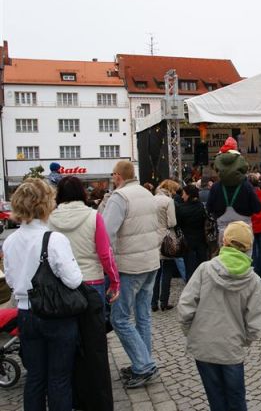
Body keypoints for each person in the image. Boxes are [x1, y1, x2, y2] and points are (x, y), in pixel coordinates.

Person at [3, 178, 83, 410]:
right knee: (59, 378)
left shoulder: (9, 242)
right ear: (47, 203)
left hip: (26, 313)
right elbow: (73, 279)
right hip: (56, 315)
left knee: (35, 378)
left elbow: (10, 280)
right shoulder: (54, 239)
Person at [178, 221, 261, 411]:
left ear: (224, 241)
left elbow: (185, 307)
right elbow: (255, 321)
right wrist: (245, 340)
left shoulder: (204, 269)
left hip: (203, 344)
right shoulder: (253, 281)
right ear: (248, 248)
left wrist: (191, 332)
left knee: (215, 397)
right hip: (232, 347)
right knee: (236, 398)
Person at [102, 160, 161, 388]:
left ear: (117, 176)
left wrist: (109, 265)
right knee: (143, 316)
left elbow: (107, 233)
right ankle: (143, 362)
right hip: (150, 262)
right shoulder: (147, 193)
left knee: (120, 318)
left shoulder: (120, 197)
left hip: (129, 265)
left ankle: (143, 365)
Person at [48, 176, 120, 306]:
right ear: (82, 192)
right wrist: (115, 281)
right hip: (91, 280)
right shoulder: (94, 216)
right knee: (94, 325)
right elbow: (105, 253)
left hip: (61, 282)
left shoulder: (49, 219)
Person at [151, 179, 179, 312]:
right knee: (167, 272)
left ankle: (153, 303)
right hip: (166, 238)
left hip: (153, 238)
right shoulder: (168, 201)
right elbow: (172, 222)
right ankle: (164, 302)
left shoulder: (151, 199)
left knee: (155, 273)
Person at [178, 184, 208, 281]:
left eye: (184, 194)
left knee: (189, 268)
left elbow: (178, 224)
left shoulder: (182, 209)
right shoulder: (201, 207)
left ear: (188, 194)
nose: (182, 196)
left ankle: (190, 289)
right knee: (202, 266)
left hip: (188, 241)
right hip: (201, 240)